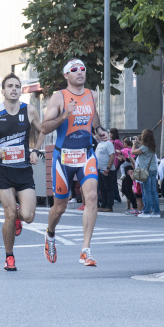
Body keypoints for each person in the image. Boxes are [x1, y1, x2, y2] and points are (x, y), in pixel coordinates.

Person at [41, 58, 109, 267]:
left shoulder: (92, 95)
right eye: (74, 69)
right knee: (59, 207)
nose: (80, 72)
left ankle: (85, 250)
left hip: (86, 154)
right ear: (66, 75)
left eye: (82, 68)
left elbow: (93, 115)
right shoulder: (59, 97)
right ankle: (50, 234)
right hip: (63, 158)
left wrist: (98, 130)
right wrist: (65, 115)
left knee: (91, 196)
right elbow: (44, 127)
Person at [0, 73, 45, 271]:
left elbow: (42, 130)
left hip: (24, 170)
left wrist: (35, 150)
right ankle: (9, 256)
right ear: (3, 91)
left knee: (28, 216)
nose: (14, 89)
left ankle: (19, 218)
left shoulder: (30, 110)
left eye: (17, 86)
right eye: (10, 86)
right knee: (8, 214)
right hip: (3, 171)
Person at [131, 129, 160, 217]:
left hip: (145, 171)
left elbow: (133, 152)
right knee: (153, 191)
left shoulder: (144, 147)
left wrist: (133, 144)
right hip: (153, 170)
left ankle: (146, 211)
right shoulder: (152, 146)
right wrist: (138, 141)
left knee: (146, 191)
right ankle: (156, 212)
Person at [95, 133, 116, 212]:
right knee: (102, 189)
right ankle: (104, 205)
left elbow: (112, 156)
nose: (95, 136)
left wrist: (108, 168)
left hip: (107, 170)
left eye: (96, 134)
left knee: (109, 189)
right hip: (99, 170)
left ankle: (109, 206)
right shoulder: (99, 144)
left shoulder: (108, 143)